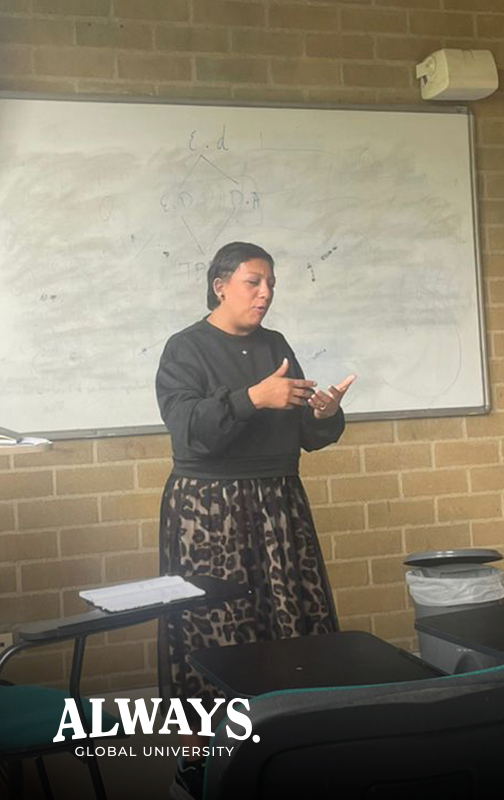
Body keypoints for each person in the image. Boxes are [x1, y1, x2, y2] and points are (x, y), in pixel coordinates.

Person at [155, 241, 355, 800]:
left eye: (271, 284)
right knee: (210, 634)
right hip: (208, 509)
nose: (265, 293)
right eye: (253, 282)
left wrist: (325, 413)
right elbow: (189, 430)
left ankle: (288, 752)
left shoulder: (275, 344)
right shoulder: (185, 348)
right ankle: (198, 768)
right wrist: (252, 398)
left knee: (293, 623)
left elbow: (305, 434)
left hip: (278, 502)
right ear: (220, 285)